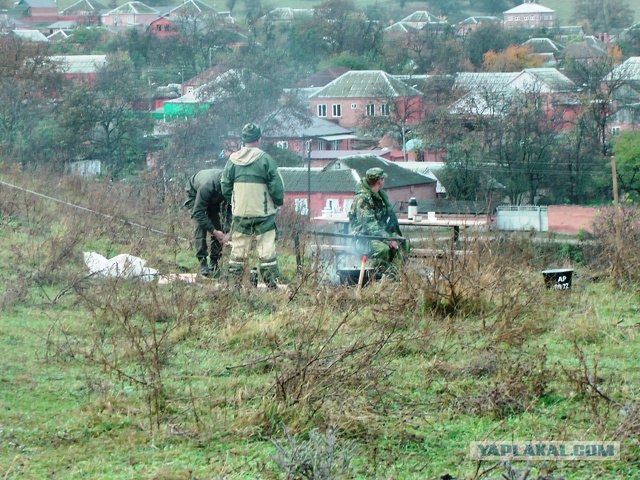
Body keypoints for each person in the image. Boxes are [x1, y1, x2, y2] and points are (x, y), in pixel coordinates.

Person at [221, 123, 285, 288]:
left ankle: (235, 285)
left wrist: (235, 202)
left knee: (238, 249)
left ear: (243, 139)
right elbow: (277, 187)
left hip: (241, 212)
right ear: (259, 139)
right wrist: (277, 202)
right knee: (266, 249)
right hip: (263, 213)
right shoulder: (266, 160)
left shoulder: (232, 161)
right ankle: (271, 284)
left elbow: (225, 186)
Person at [348, 167, 406, 275]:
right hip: (363, 238)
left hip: (378, 235)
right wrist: (388, 240)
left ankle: (397, 275)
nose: (384, 181)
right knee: (383, 249)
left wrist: (393, 235)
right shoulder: (363, 199)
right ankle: (375, 276)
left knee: (402, 242)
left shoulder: (379, 196)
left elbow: (384, 220)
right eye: (383, 179)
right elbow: (370, 226)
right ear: (379, 181)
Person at [184, 168, 231, 277]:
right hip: (195, 195)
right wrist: (214, 232)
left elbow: (230, 211)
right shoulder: (207, 186)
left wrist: (228, 232)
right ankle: (202, 263)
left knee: (219, 227)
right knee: (200, 227)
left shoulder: (231, 186)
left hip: (214, 199)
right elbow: (198, 212)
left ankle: (214, 262)